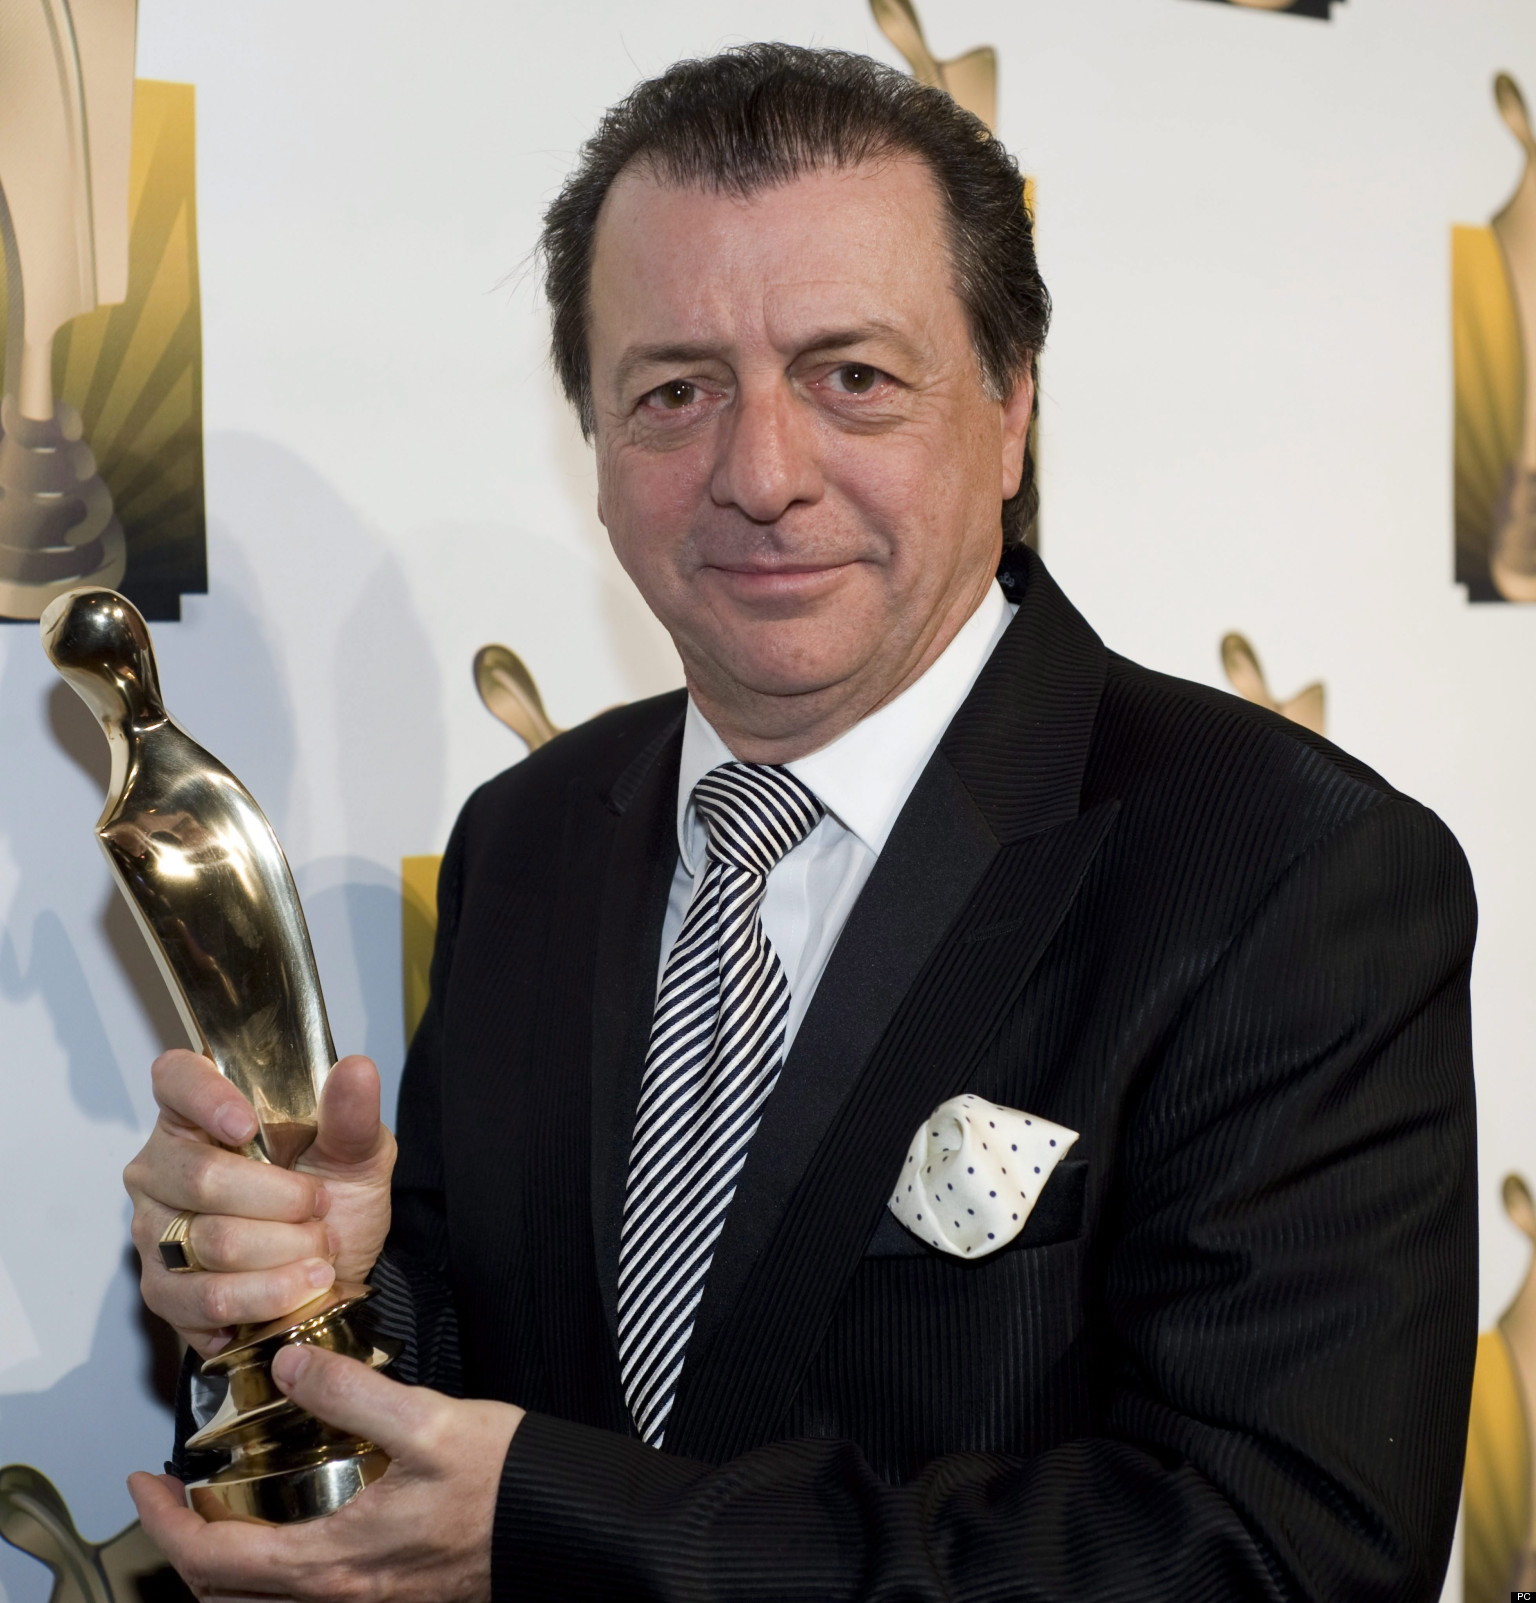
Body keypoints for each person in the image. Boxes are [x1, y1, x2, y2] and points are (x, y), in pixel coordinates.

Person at [122, 44, 1477, 1603]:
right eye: (676, 391)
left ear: (1011, 410)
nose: (761, 474)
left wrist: (574, 1525)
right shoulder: (530, 838)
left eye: (853, 378)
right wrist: (321, 1299)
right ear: (595, 444)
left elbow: (1282, 1559)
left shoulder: (1286, 871)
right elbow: (497, 1393)